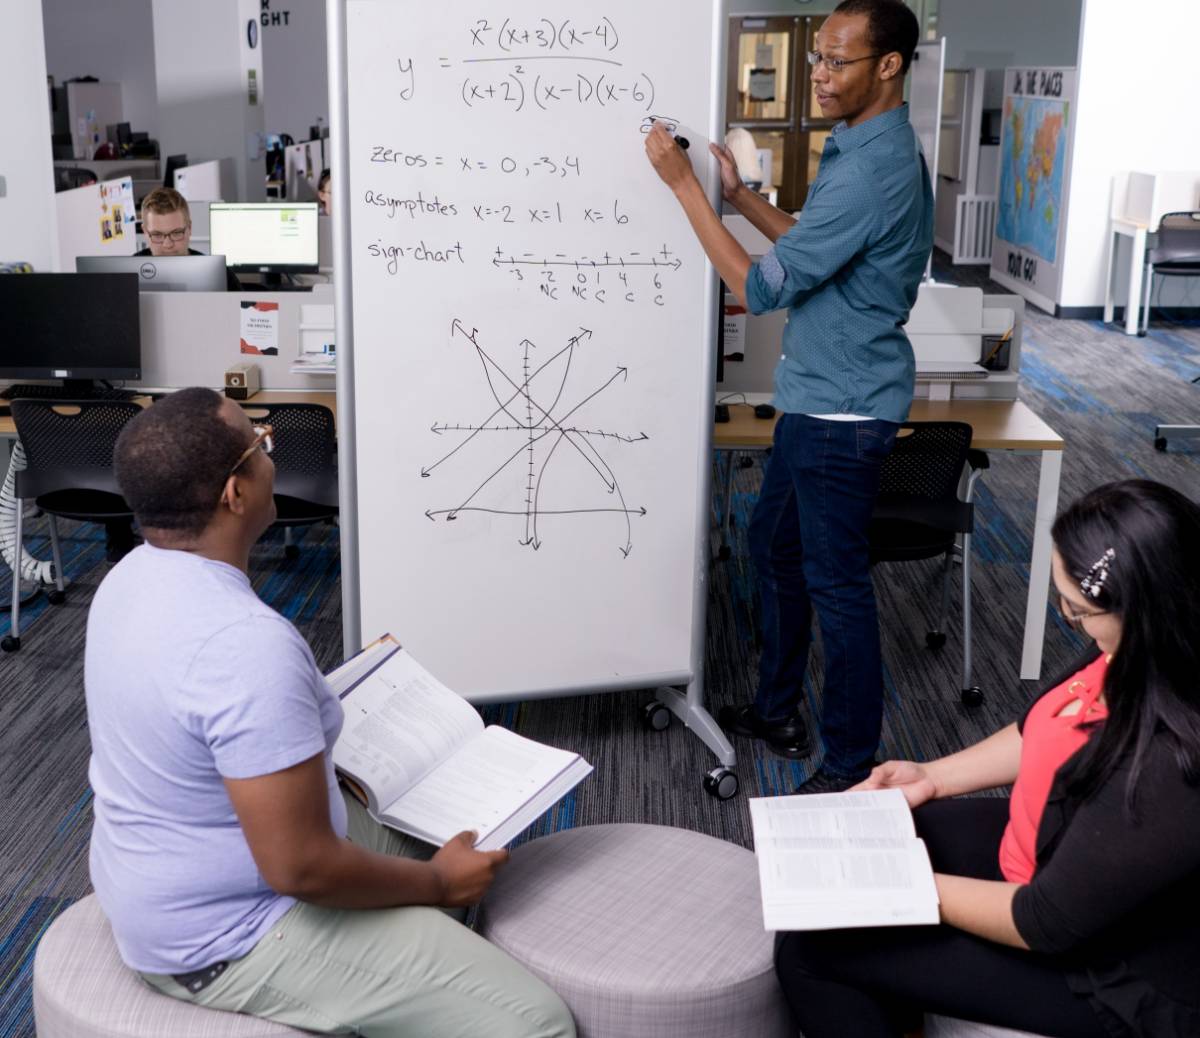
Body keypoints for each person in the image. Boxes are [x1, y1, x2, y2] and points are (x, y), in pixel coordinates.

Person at [85, 387, 575, 1038]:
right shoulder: (245, 647)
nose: (271, 457)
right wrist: (434, 885)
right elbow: (300, 869)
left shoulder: (130, 577)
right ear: (235, 495)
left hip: (163, 866)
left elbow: (203, 713)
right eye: (260, 447)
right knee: (538, 1024)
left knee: (460, 831)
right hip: (223, 934)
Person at [774, 479, 1200, 1037]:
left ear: (1145, 610)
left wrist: (907, 887)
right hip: (1057, 841)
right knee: (884, 830)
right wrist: (932, 777)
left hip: (1110, 972)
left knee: (811, 952)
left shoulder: (1172, 760)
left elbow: (1043, 922)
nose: (1071, 622)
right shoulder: (1130, 646)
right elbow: (1041, 728)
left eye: (1078, 611)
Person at [644, 0, 933, 792]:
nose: (819, 75)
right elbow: (809, 244)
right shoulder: (864, 148)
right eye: (817, 58)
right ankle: (776, 708)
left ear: (888, 66)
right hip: (819, 401)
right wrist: (736, 196)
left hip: (841, 415)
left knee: (838, 591)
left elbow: (760, 287)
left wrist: (685, 190)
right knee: (776, 550)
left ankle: (849, 765)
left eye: (839, 62)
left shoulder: (872, 169)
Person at [137, 186, 240, 291]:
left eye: (176, 233)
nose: (168, 245)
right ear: (145, 232)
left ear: (189, 228)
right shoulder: (128, 275)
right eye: (157, 235)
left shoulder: (220, 275)